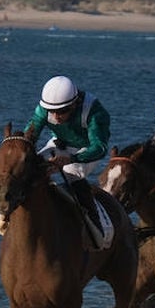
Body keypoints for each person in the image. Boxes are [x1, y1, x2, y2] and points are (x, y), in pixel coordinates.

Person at [24, 75, 110, 242]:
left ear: (75, 103)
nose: (56, 117)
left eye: (62, 111)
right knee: (31, 167)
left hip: (86, 151)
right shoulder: (43, 110)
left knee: (70, 174)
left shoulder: (94, 112)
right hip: (60, 144)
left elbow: (99, 148)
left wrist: (72, 158)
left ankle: (93, 224)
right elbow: (30, 136)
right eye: (52, 111)